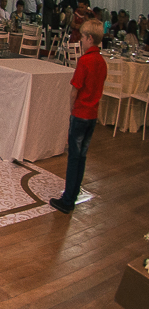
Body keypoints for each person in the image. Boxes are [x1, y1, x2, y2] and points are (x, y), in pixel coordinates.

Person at [50, 18, 107, 215]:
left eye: (82, 37)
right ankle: (73, 194)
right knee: (81, 156)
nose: (81, 40)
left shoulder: (85, 61)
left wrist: (71, 109)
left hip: (81, 113)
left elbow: (75, 89)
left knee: (74, 157)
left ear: (89, 38)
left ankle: (67, 200)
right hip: (92, 115)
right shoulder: (102, 62)